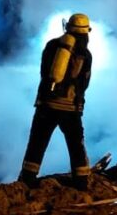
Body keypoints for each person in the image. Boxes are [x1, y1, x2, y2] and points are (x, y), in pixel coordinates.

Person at [19, 13, 94, 190]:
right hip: (70, 107)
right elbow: (85, 83)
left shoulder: (52, 45)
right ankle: (81, 182)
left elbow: (45, 73)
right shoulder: (86, 54)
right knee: (76, 144)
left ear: (68, 27)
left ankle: (27, 180)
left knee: (37, 142)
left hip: (47, 104)